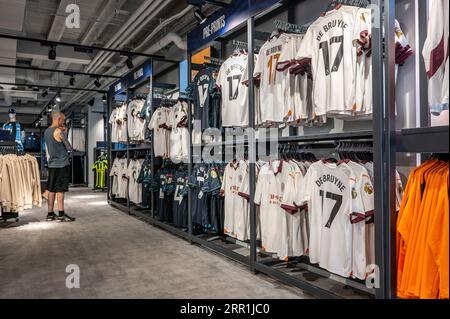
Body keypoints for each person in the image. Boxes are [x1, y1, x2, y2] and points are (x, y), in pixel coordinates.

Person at [44, 111, 76, 222]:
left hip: (52, 164)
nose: (64, 122)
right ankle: (61, 214)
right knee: (60, 190)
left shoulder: (46, 131)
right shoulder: (59, 131)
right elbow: (69, 147)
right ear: (58, 119)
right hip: (61, 164)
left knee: (51, 189)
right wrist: (65, 132)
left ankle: (50, 213)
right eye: (63, 120)